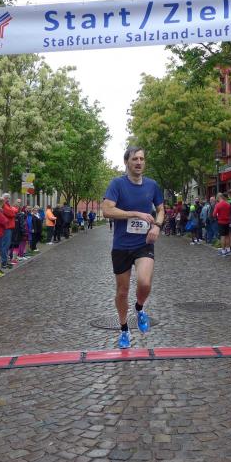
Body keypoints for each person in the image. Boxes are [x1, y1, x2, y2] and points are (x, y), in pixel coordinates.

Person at [101, 146, 164, 349]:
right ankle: (124, 329)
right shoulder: (117, 184)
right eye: (135, 159)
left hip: (143, 243)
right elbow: (107, 210)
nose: (139, 162)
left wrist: (157, 226)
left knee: (144, 283)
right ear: (126, 162)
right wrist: (135, 213)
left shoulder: (152, 185)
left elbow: (161, 209)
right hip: (121, 245)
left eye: (142, 159)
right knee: (122, 291)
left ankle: (139, 308)